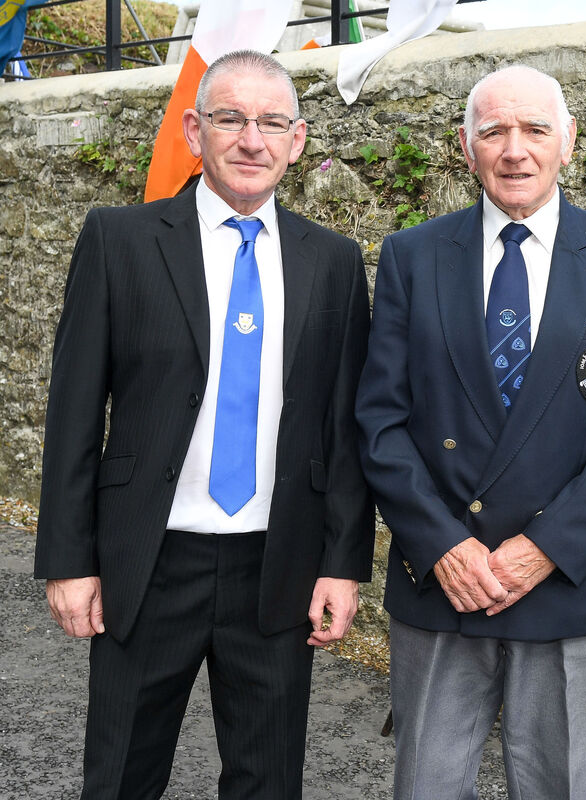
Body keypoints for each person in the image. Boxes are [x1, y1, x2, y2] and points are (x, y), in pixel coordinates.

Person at [34, 49, 374, 800]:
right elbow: (73, 410)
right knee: (121, 773)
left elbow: (344, 426)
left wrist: (343, 563)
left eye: (271, 122)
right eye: (230, 119)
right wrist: (68, 558)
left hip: (277, 567)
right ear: (195, 130)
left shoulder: (335, 262)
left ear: (298, 138)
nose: (251, 140)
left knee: (268, 780)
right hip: (146, 560)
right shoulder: (119, 240)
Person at [355, 64, 586, 800]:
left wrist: (544, 548)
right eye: (493, 130)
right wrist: (442, 545)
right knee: (425, 788)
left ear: (566, 142)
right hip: (443, 581)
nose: (514, 149)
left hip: (570, 581)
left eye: (534, 129)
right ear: (464, 147)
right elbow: (379, 419)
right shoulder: (411, 256)